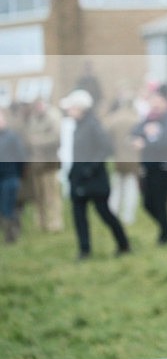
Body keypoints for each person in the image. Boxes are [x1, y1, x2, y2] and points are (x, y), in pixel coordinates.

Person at [61, 90, 129, 259]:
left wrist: (91, 168)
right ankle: (84, 250)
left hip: (94, 180)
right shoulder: (77, 125)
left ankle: (124, 244)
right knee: (79, 216)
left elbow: (106, 148)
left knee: (104, 213)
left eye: (71, 107)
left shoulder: (93, 125)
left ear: (81, 108)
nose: (69, 110)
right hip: (78, 178)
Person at [132, 84, 167, 244]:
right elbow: (136, 131)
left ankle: (166, 234)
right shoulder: (149, 118)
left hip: (165, 166)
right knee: (148, 203)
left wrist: (146, 144)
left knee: (160, 202)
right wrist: (143, 135)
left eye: (158, 102)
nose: (155, 105)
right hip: (150, 167)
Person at [25, 98, 64, 233]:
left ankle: (55, 222)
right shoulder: (32, 120)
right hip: (36, 164)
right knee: (38, 196)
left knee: (52, 195)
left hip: (49, 163)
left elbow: (56, 138)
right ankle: (41, 223)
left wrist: (38, 140)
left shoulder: (52, 118)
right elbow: (28, 139)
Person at [105, 92, 142, 225]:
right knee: (131, 187)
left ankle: (112, 212)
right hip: (133, 158)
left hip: (118, 157)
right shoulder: (136, 118)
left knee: (117, 187)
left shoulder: (113, 119)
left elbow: (107, 137)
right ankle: (128, 216)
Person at [0, 108, 26, 244]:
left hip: (10, 177)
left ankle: (11, 235)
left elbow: (21, 158)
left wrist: (19, 175)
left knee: (9, 206)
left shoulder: (12, 137)